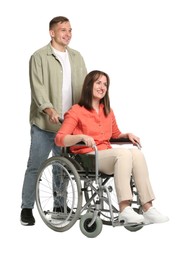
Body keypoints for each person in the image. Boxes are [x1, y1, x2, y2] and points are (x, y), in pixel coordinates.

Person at [55, 70, 169, 224]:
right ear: (89, 85)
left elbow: (115, 133)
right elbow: (60, 139)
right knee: (123, 154)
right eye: (98, 83)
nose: (102, 87)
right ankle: (124, 209)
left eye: (105, 84)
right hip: (86, 158)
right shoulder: (76, 111)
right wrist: (80, 137)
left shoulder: (107, 111)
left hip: (107, 155)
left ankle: (148, 208)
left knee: (136, 153)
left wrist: (126, 135)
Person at [20, 16, 87, 226]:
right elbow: (38, 89)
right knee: (35, 166)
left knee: (63, 167)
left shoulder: (77, 57)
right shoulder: (39, 57)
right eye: (63, 30)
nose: (67, 34)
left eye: (70, 30)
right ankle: (26, 208)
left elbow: (84, 88)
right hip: (45, 124)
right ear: (52, 32)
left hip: (68, 125)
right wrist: (49, 109)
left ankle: (60, 205)